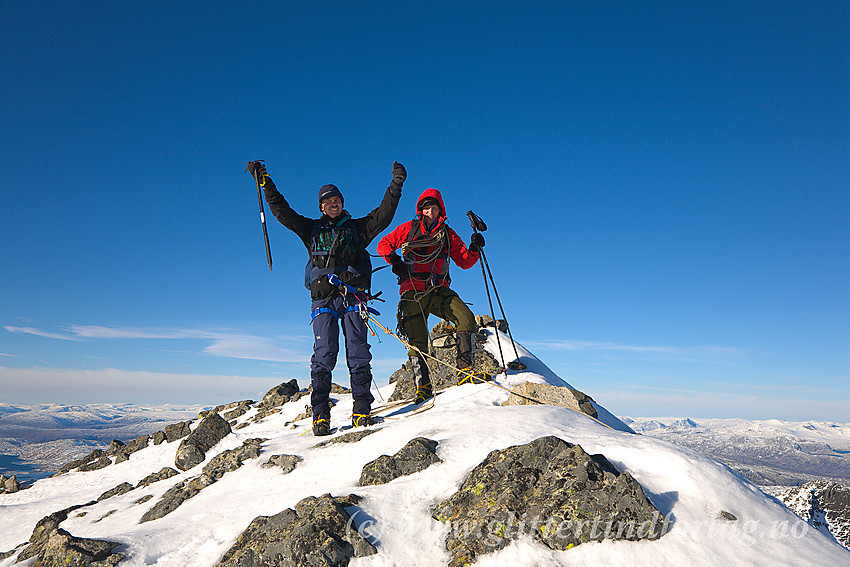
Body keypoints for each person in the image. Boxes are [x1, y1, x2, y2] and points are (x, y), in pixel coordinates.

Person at [247, 160, 406, 435]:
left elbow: (384, 215)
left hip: (354, 299)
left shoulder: (357, 228)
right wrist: (266, 183)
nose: (333, 203)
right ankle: (320, 417)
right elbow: (283, 212)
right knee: (324, 356)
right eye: (328, 201)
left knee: (358, 355)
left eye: (337, 199)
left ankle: (361, 413)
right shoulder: (310, 230)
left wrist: (396, 186)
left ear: (342, 203)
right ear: (321, 207)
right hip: (323, 302)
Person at [376, 188, 488, 404]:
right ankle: (423, 386)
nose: (429, 211)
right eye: (425, 208)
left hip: (439, 290)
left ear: (440, 210)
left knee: (465, 318)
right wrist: (395, 261)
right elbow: (384, 245)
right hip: (413, 290)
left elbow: (464, 261)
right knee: (417, 339)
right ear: (420, 210)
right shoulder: (408, 229)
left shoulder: (447, 234)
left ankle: (466, 371)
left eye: (433, 207)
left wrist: (474, 247)